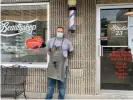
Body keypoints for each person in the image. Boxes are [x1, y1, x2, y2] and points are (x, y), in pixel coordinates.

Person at [45, 27, 74, 99]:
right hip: (53, 66)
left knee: (62, 87)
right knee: (50, 87)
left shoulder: (67, 42)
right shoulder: (50, 41)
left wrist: (64, 59)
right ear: (56, 31)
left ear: (63, 32)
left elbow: (71, 52)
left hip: (63, 67)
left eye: (61, 31)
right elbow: (48, 51)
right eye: (58, 31)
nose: (60, 33)